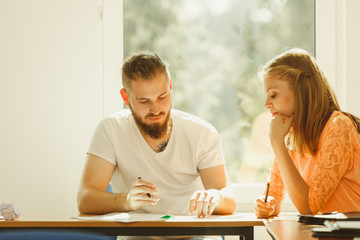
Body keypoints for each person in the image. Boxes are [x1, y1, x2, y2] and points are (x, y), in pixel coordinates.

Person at [77, 53, 235, 227]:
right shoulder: (111, 129)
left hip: (193, 234)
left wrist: (215, 197)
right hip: (136, 237)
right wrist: (126, 201)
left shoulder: (202, 133)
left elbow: (228, 200)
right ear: (125, 97)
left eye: (162, 97)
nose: (156, 109)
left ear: (170, 86)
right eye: (144, 101)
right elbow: (85, 198)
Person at [255, 48, 360, 218]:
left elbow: (309, 207)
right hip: (321, 233)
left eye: (273, 95)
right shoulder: (291, 137)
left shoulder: (338, 126)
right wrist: (266, 205)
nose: (266, 103)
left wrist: (276, 143)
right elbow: (273, 193)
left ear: (301, 91)